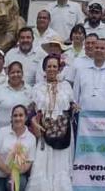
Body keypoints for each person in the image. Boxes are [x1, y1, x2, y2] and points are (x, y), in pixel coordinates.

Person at [30, 54, 74, 191]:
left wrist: (75, 107)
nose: (52, 69)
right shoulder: (37, 87)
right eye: (49, 66)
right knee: (43, 163)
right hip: (44, 129)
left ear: (59, 69)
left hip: (62, 129)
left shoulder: (66, 86)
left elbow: (71, 106)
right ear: (44, 69)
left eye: (55, 66)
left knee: (60, 164)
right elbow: (32, 110)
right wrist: (34, 122)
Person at [0, 104, 36, 191]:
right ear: (11, 118)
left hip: (18, 176)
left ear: (26, 118)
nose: (17, 118)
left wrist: (17, 173)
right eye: (15, 116)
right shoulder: (2, 132)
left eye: (21, 115)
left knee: (20, 184)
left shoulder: (31, 138)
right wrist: (9, 171)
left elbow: (29, 161)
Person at [0, 61, 32, 148]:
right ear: (8, 74)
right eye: (12, 72)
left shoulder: (30, 90)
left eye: (18, 72)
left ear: (22, 73)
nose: (16, 75)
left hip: (21, 137)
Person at [74, 38, 105, 112]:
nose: (98, 50)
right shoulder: (81, 69)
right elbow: (76, 94)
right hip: (84, 116)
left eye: (102, 48)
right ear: (93, 50)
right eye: (96, 48)